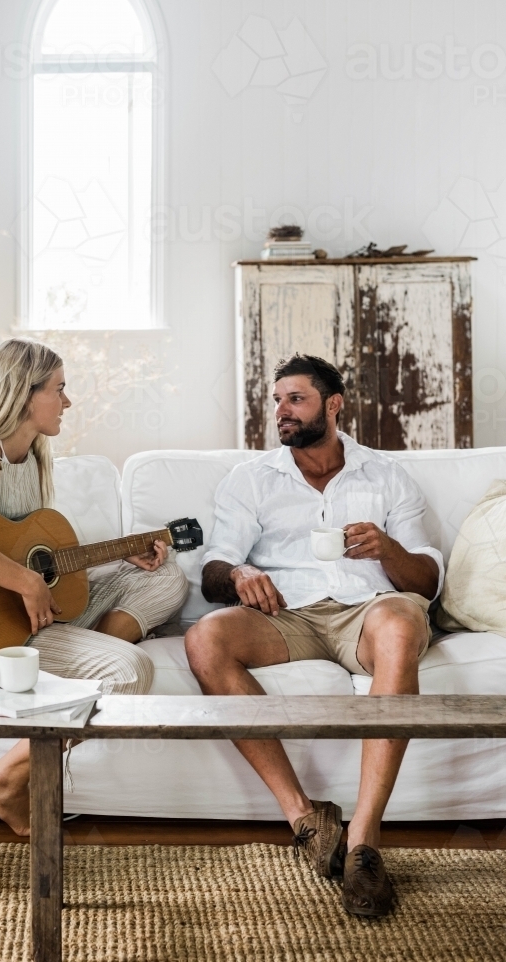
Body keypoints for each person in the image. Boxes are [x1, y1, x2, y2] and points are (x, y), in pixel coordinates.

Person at [184, 352, 443, 918]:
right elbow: (212, 570)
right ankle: (304, 816)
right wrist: (239, 573)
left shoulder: (386, 474)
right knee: (206, 639)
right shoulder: (252, 479)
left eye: (295, 399)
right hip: (286, 615)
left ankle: (364, 842)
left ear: (333, 404)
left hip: (367, 610)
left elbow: (426, 581)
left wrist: (390, 550)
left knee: (401, 625)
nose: (282, 411)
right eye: (276, 401)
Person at [0, 338, 188, 834]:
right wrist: (26, 580)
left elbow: (30, 544)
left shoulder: (34, 456)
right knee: (132, 671)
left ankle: (85, 661)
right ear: (25, 395)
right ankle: (3, 777)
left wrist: (113, 553)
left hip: (42, 611)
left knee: (166, 575)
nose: (67, 402)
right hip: (7, 628)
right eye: (60, 389)